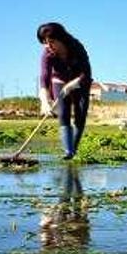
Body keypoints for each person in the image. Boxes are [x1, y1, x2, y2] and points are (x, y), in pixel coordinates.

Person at [37, 23, 92, 160]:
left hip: (80, 82)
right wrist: (45, 101)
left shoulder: (76, 47)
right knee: (63, 114)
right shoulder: (47, 55)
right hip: (59, 81)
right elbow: (44, 79)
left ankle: (74, 149)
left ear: (61, 38)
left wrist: (71, 86)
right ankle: (68, 152)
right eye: (44, 43)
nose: (48, 46)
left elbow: (86, 73)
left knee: (80, 116)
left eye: (51, 42)